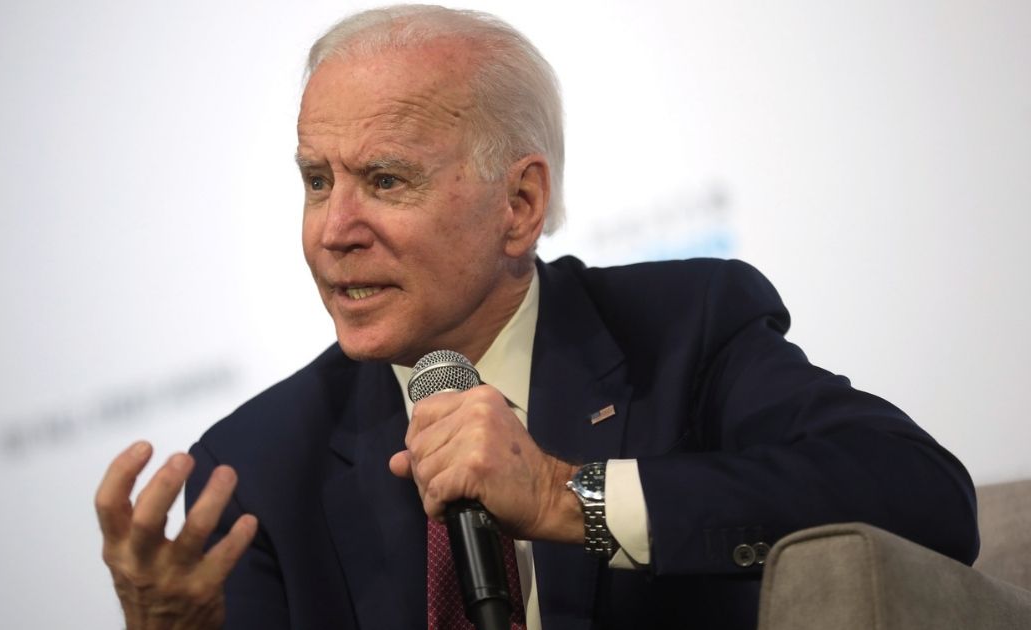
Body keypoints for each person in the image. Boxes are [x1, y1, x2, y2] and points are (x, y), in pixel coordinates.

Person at [95, 5, 980, 629]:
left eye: (386, 181)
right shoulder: (254, 468)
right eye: (317, 181)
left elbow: (925, 499)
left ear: (518, 204)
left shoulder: (684, 332)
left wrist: (569, 498)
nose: (333, 231)